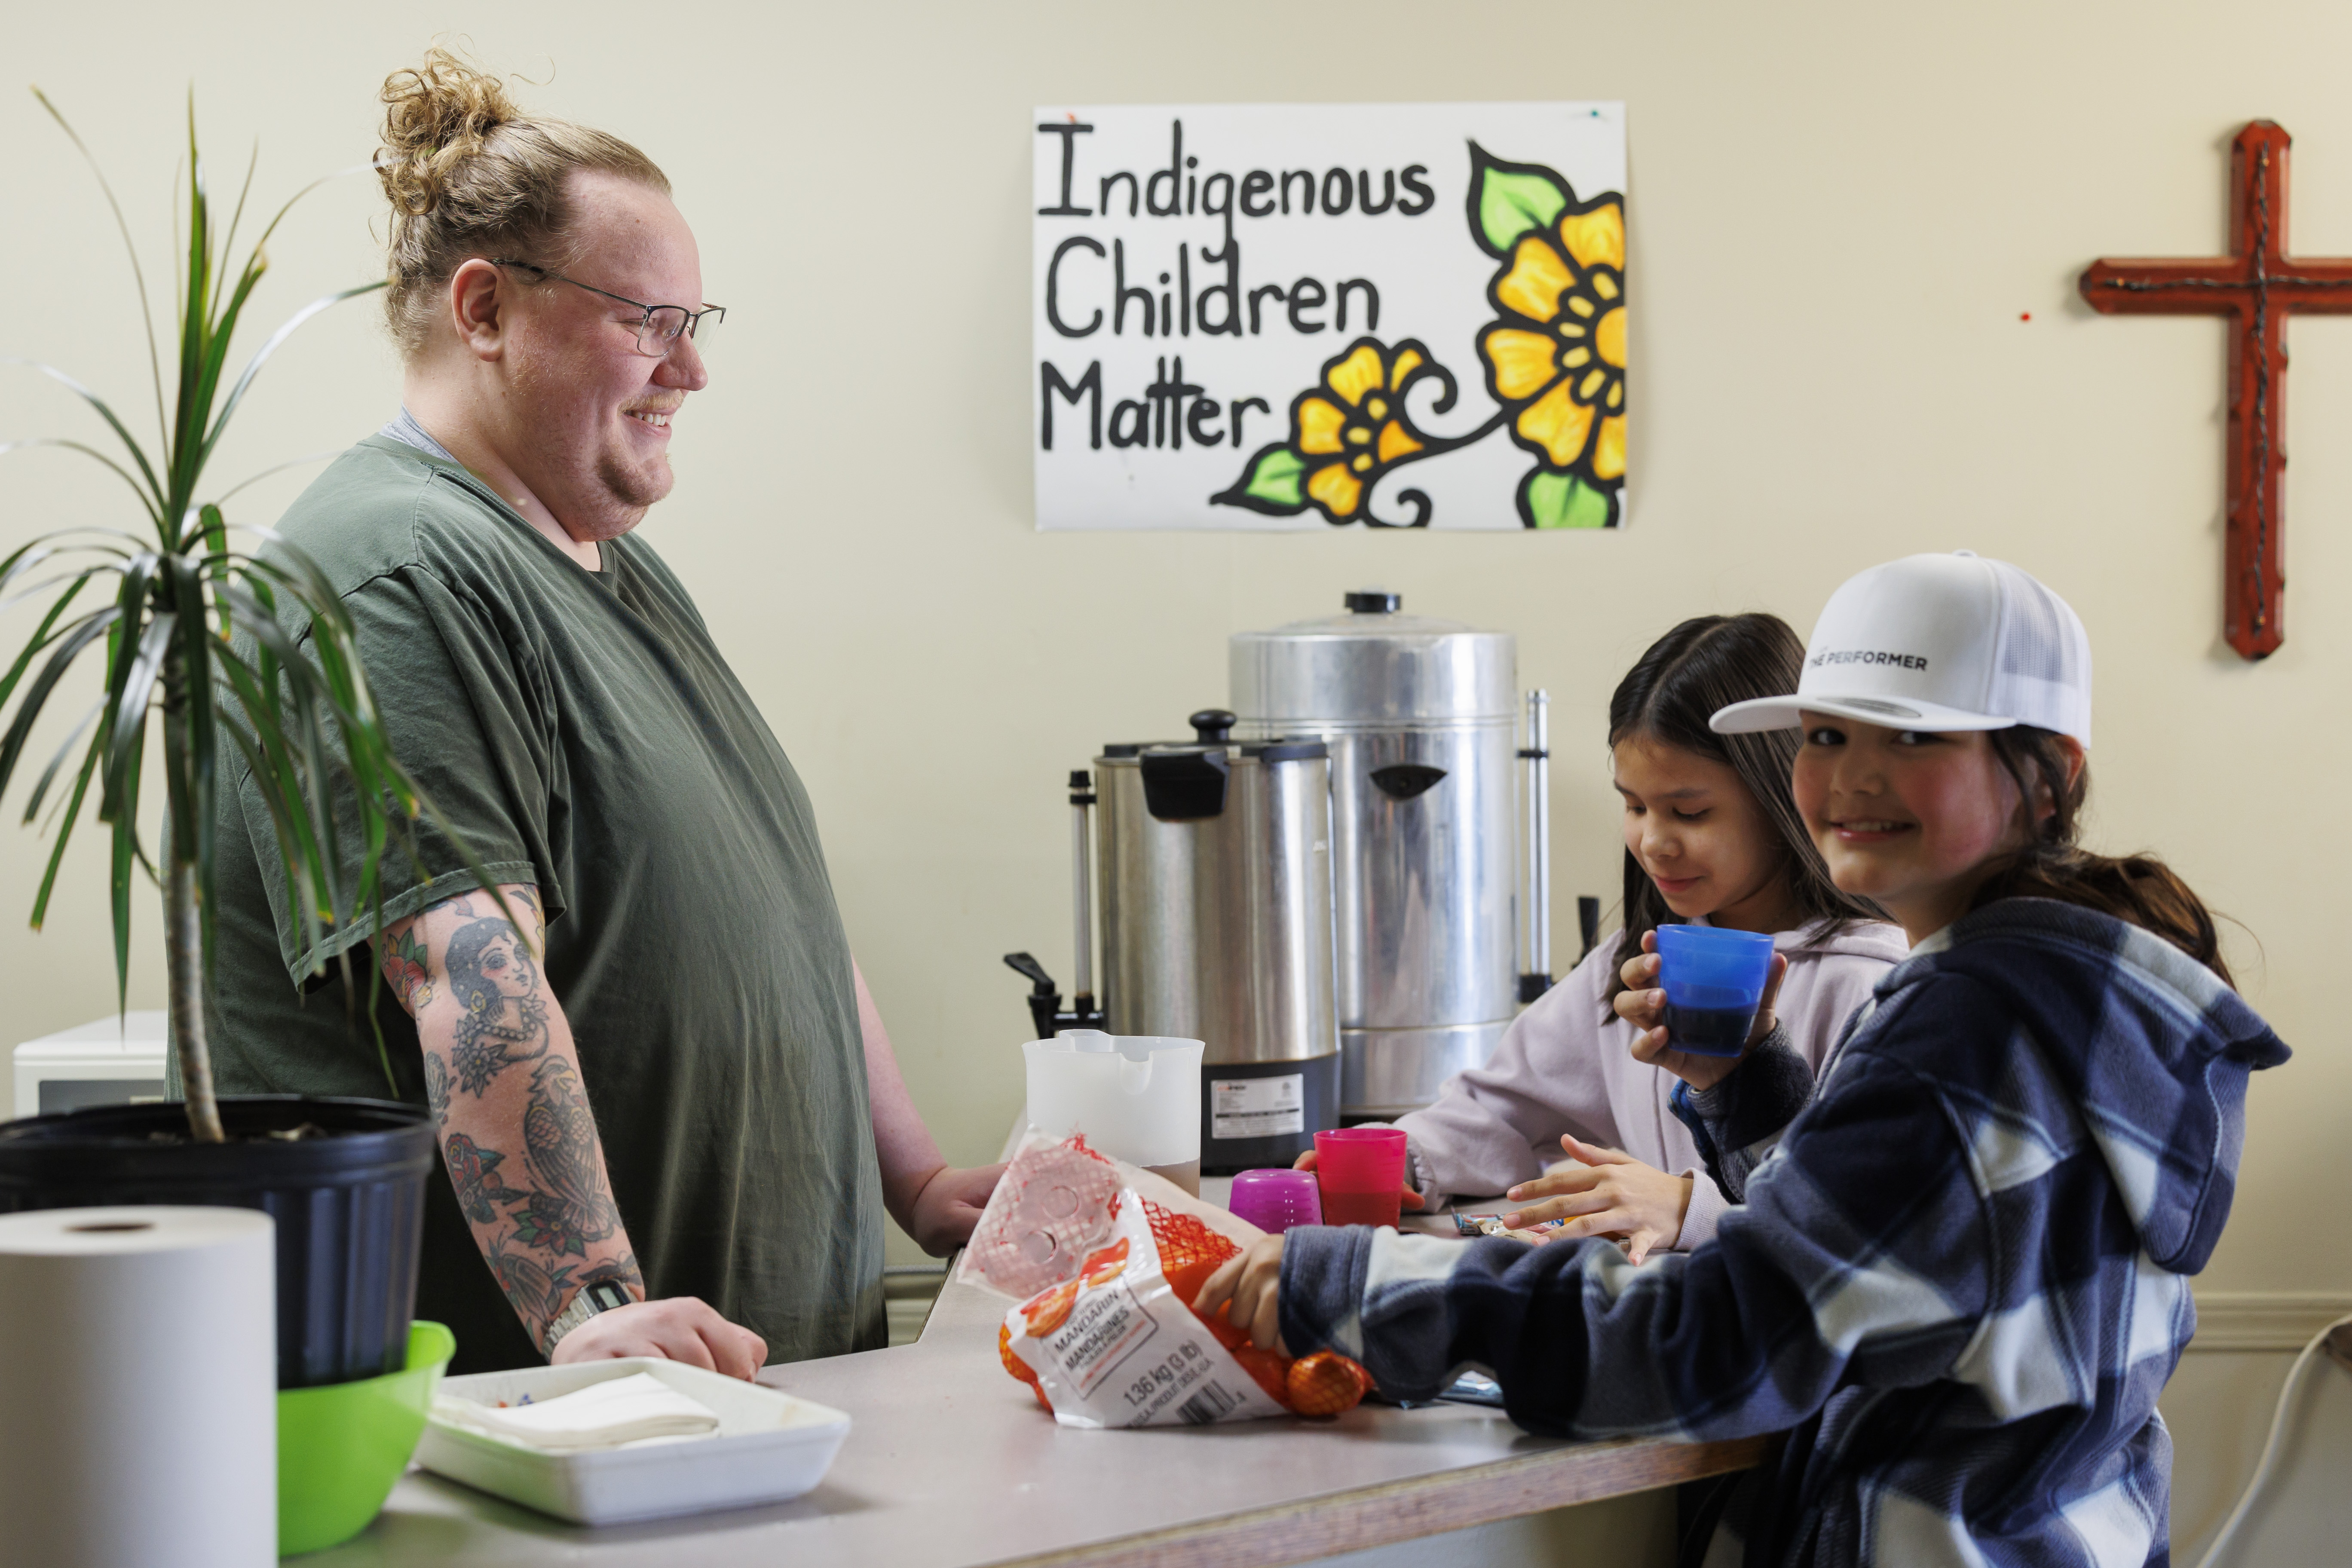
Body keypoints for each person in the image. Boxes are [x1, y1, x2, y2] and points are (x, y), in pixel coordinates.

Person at [1203, 552, 2287, 1566]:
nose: (1854, 778)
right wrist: (1753, 1080)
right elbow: (1883, 1268)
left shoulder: (1964, 1021)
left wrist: (1366, 1282)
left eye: (1912, 738)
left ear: (2047, 777)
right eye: (1826, 736)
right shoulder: (2068, 989)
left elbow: (1723, 1342)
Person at [199, 49, 999, 1377]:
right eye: (648, 321)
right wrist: (585, 1304)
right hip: (566, 1418)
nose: (690, 373)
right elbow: (466, 971)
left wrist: (914, 1180)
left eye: (699, 324)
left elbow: (776, 903)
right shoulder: (392, 570)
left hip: (743, 1393)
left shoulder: (601, 563)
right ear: (486, 308)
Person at [1296, 614, 1903, 1262]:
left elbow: (1854, 1239)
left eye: (1690, 812)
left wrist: (1686, 1209)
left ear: (1787, 793)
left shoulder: (1870, 983)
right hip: (1656, 1320)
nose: (1653, 842)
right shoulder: (1633, 965)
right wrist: (1407, 1163)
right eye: (1635, 806)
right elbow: (1500, 1108)